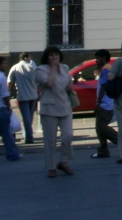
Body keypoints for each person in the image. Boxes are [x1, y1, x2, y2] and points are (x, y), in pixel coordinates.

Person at [36, 46, 75, 177]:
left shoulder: (64, 67)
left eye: (56, 55)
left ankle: (63, 161)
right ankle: (51, 167)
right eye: (51, 55)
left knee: (68, 135)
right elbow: (49, 84)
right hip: (49, 108)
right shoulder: (41, 70)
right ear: (46, 58)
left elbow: (69, 80)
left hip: (65, 106)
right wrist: (53, 68)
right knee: (50, 140)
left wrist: (70, 85)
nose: (54, 57)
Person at [92, 49, 118, 158]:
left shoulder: (106, 69)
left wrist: (98, 102)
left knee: (101, 127)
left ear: (104, 58)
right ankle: (103, 150)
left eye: (97, 58)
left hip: (105, 103)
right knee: (99, 127)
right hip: (107, 102)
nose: (96, 61)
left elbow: (103, 86)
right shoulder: (108, 68)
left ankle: (120, 140)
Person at [8, 52, 37, 144]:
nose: (30, 58)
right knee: (30, 117)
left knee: (26, 117)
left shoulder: (15, 67)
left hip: (22, 96)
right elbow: (38, 80)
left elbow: (9, 82)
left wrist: (8, 92)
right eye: (29, 56)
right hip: (33, 95)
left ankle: (28, 137)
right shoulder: (33, 67)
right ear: (26, 57)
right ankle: (27, 135)